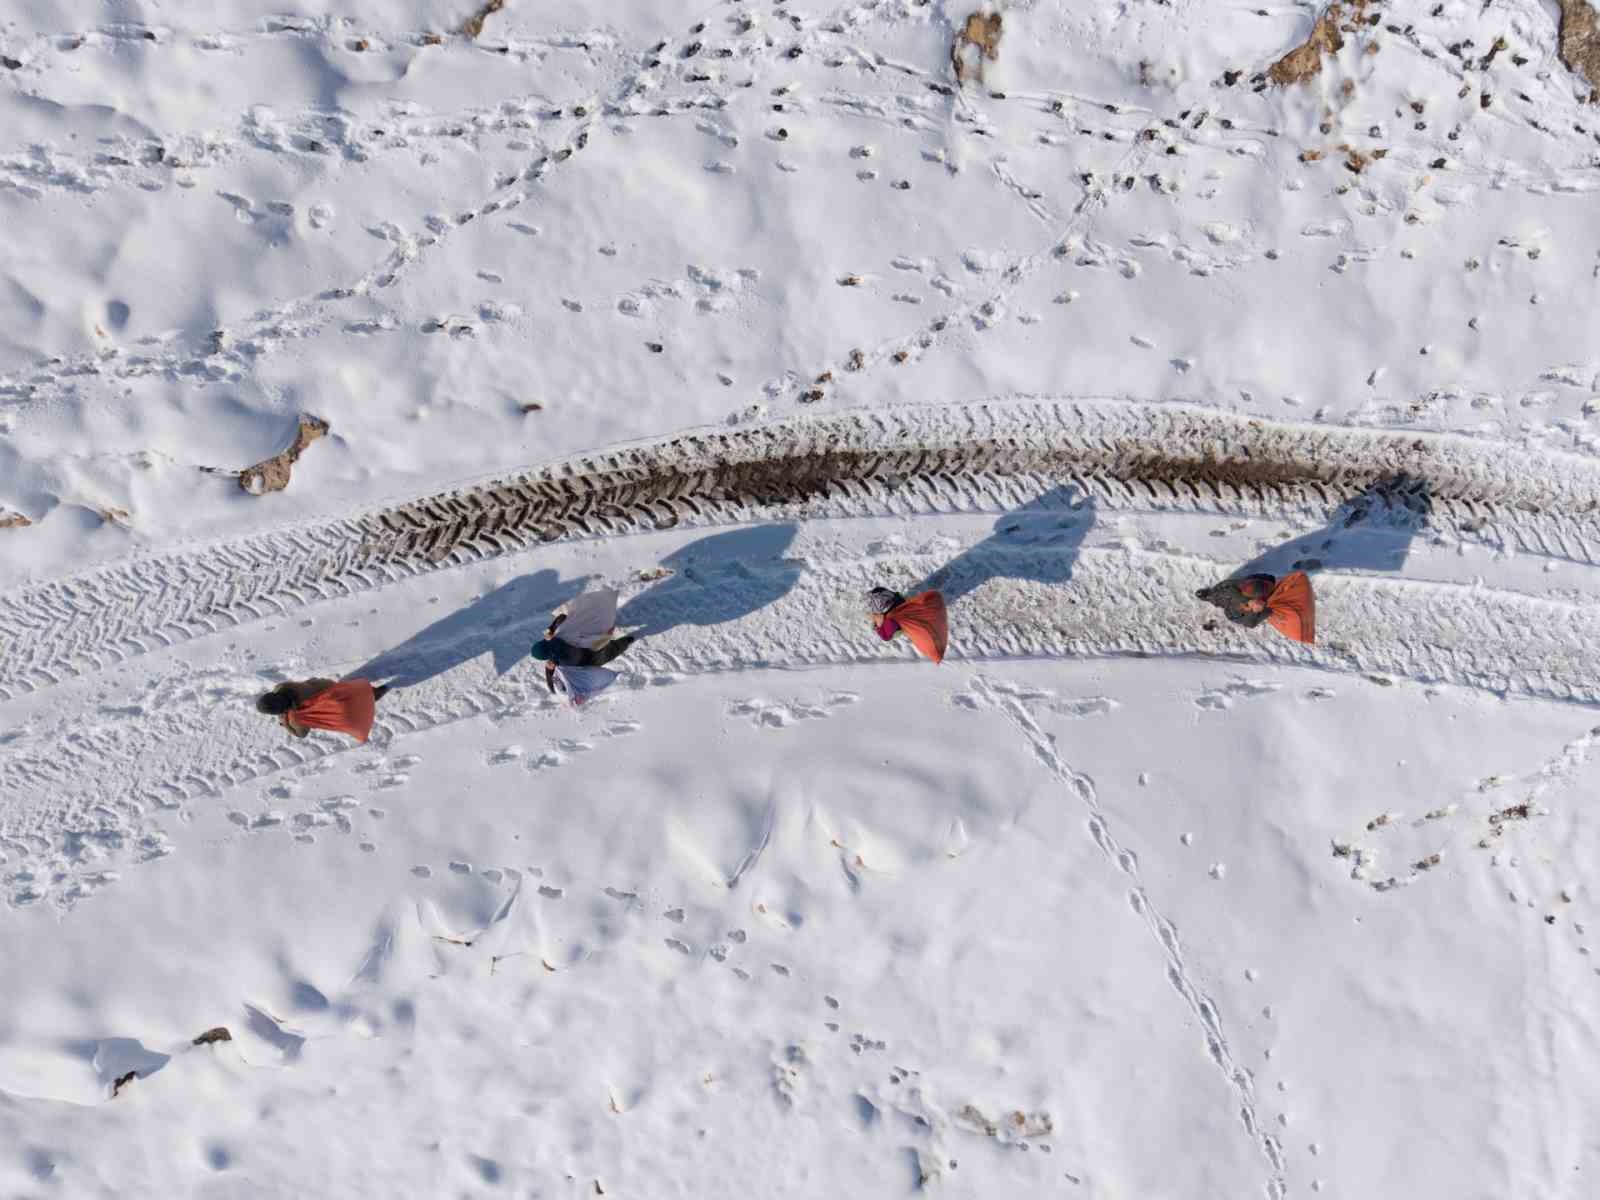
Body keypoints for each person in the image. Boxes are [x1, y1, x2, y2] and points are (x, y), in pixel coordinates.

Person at [530, 588, 637, 705]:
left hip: (588, 659)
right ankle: (625, 641)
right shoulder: (556, 638)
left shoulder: (556, 659)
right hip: (587, 648)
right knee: (609, 647)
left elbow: (550, 680)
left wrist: (549, 675)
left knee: (611, 651)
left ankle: (626, 641)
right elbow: (561, 617)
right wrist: (551, 628)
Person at [1195, 570, 1315, 644]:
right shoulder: (1256, 583)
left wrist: (1253, 610)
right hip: (1241, 593)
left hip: (1237, 610)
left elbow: (1250, 623)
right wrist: (1247, 600)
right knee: (1226, 590)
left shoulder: (1267, 607)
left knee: (1226, 605)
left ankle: (1211, 598)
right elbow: (1231, 589)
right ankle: (1211, 595)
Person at [257, 678, 390, 742]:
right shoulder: (283, 686)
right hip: (338, 690)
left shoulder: (296, 717)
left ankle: (370, 700)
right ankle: (373, 693)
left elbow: (301, 734)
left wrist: (285, 723)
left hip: (346, 713)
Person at [866, 586, 949, 664]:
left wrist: (879, 625)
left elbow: (885, 637)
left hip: (900, 623)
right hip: (904, 605)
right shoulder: (896, 597)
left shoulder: (892, 619)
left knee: (889, 630)